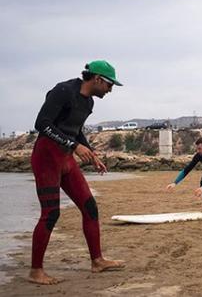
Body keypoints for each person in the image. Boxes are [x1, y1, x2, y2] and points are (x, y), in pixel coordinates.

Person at [29, 60, 125, 284]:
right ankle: (35, 271)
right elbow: (42, 123)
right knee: (51, 214)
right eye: (110, 85)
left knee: (89, 207)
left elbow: (76, 130)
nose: (110, 90)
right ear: (98, 79)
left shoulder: (89, 102)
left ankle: (97, 261)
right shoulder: (63, 91)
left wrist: (91, 154)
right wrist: (74, 146)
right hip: (46, 158)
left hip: (65, 158)